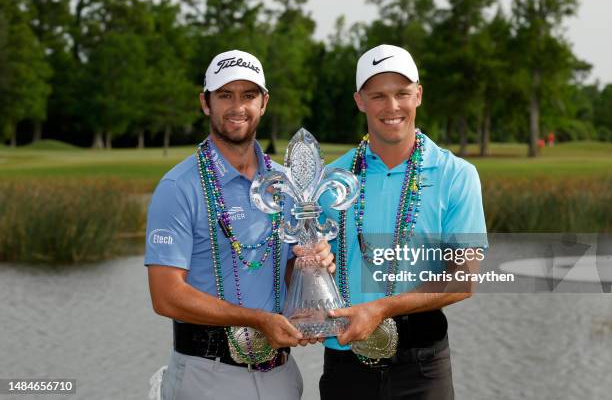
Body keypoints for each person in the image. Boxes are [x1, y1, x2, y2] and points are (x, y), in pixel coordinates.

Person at [144, 49, 333, 400]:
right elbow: (166, 295)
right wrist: (257, 320)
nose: (237, 107)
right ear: (205, 103)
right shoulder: (179, 186)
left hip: (280, 374)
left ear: (264, 102)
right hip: (206, 373)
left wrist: (312, 267)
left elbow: (290, 271)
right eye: (225, 95)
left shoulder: (287, 183)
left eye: (248, 95)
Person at [319, 44, 487, 399]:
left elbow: (464, 280)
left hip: (422, 367)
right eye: (378, 95)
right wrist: (311, 264)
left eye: (402, 94)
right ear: (359, 100)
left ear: (419, 95)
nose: (392, 107)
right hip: (345, 364)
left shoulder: (456, 174)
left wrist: (382, 308)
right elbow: (306, 269)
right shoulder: (330, 177)